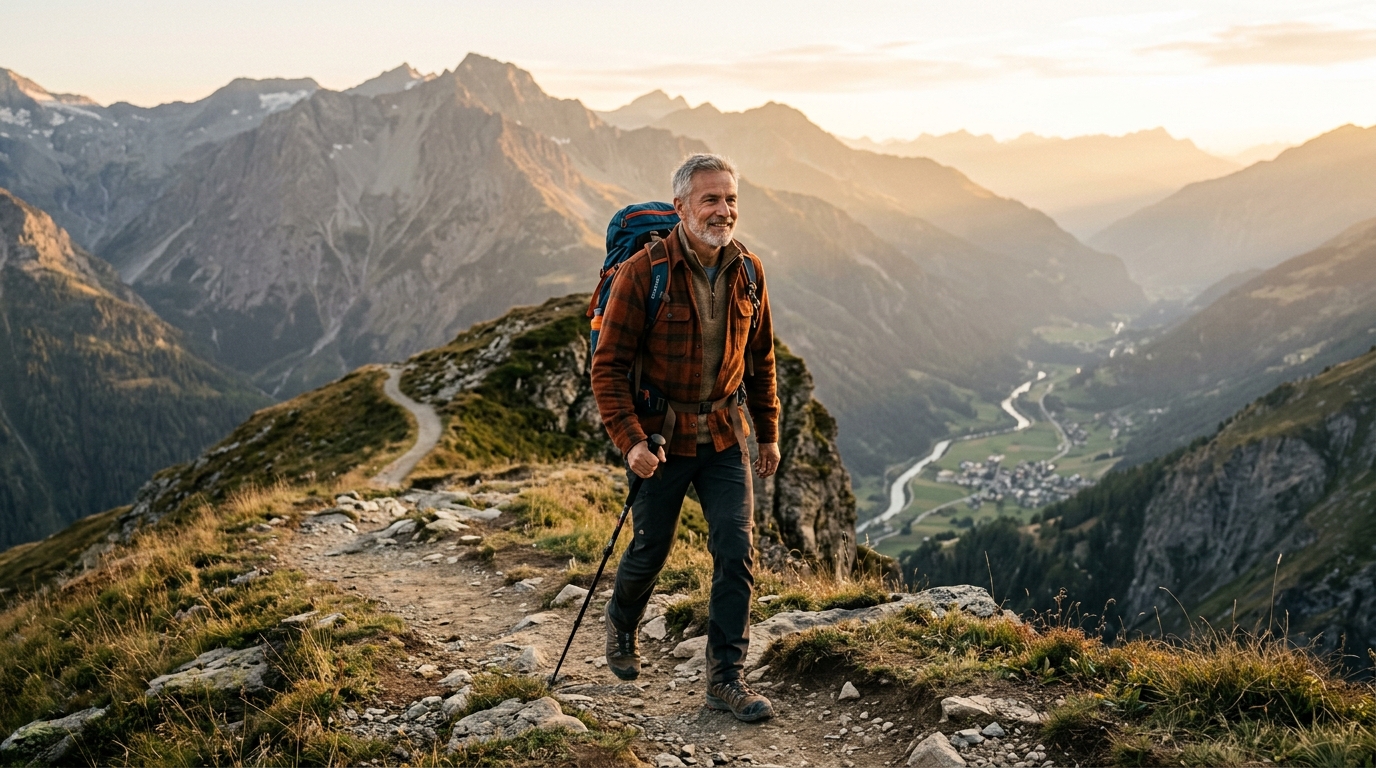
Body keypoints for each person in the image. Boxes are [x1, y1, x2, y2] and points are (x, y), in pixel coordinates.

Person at [590, 153, 781, 722]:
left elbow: (761, 358)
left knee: (736, 551)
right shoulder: (643, 272)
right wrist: (632, 443)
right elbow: (608, 368)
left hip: (725, 435)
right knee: (650, 549)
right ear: (680, 208)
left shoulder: (748, 269)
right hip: (661, 441)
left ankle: (726, 678)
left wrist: (768, 433)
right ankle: (622, 623)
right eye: (710, 200)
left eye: (730, 200)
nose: (723, 211)